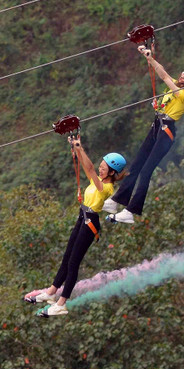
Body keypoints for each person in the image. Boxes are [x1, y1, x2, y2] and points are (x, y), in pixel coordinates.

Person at [103, 47, 184, 224]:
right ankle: (116, 201)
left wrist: (151, 59)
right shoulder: (175, 89)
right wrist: (150, 59)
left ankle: (131, 211)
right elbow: (162, 74)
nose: (183, 73)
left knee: (145, 171)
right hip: (157, 126)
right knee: (136, 166)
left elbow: (164, 76)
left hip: (166, 132)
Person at [25, 136, 127, 317]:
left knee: (73, 263)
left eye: (104, 168)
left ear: (111, 173)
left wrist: (80, 148)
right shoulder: (98, 182)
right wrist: (76, 148)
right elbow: (88, 169)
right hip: (83, 218)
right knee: (67, 258)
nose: (100, 168)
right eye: (101, 165)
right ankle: (50, 293)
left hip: (90, 223)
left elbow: (89, 168)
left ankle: (61, 303)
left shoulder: (107, 188)